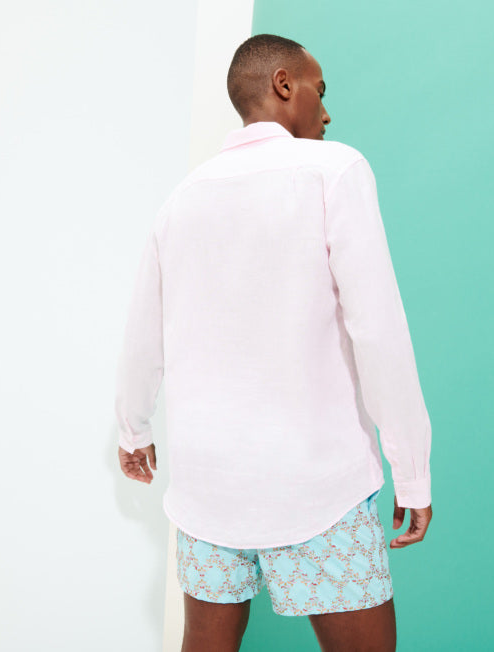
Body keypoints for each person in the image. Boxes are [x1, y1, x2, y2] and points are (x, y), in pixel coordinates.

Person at [114, 33, 432, 652]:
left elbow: (143, 330)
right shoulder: (334, 170)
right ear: (284, 84)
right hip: (317, 482)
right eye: (320, 90)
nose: (327, 112)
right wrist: (412, 471)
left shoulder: (182, 198)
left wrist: (133, 429)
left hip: (209, 485)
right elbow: (378, 331)